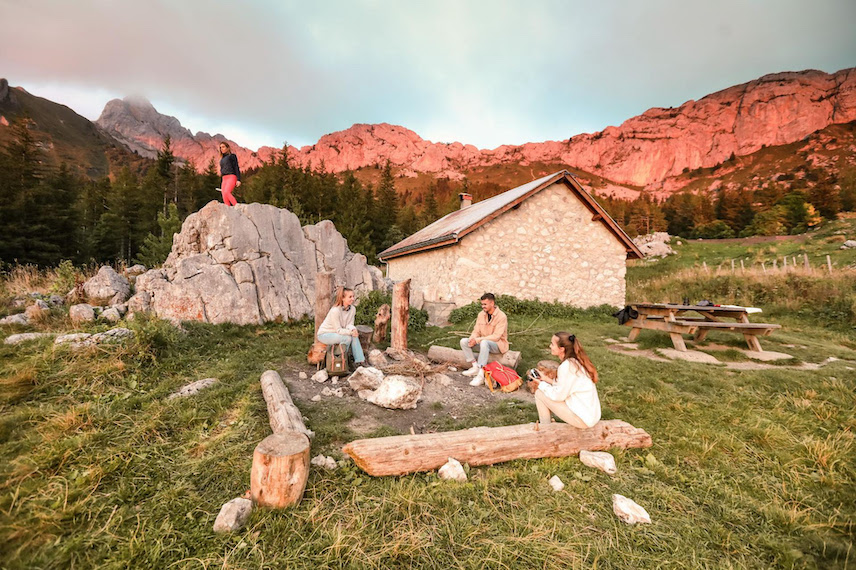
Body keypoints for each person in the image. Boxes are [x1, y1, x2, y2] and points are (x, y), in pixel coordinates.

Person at [529, 332, 601, 428]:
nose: (550, 346)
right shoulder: (575, 362)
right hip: (591, 416)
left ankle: (545, 428)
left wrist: (541, 384)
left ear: (561, 349)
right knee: (544, 391)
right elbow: (566, 386)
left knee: (540, 394)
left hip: (583, 420)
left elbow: (558, 396)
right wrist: (546, 379)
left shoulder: (567, 367)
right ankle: (546, 426)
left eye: (552, 344)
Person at [460, 292, 508, 387]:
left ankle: (481, 375)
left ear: (492, 303)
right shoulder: (481, 315)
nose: (483, 306)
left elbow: (496, 336)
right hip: (483, 343)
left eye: (485, 304)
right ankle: (475, 367)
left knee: (484, 342)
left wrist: (478, 340)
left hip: (498, 345)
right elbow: (476, 331)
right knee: (464, 341)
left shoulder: (502, 316)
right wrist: (472, 339)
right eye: (482, 304)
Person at [316, 287, 366, 367]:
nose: (353, 299)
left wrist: (353, 329)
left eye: (353, 296)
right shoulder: (335, 311)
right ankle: (343, 361)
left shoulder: (352, 309)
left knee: (354, 336)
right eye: (350, 297)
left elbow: (349, 324)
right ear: (343, 298)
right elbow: (338, 330)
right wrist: (350, 332)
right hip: (325, 334)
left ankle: (360, 361)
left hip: (338, 334)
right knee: (347, 338)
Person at [218, 142, 241, 206]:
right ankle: (228, 211)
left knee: (227, 192)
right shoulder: (222, 159)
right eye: (220, 147)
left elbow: (236, 167)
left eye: (223, 147)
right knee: (224, 196)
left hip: (231, 176)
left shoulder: (232, 156)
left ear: (228, 148)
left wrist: (238, 179)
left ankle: (237, 207)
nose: (221, 149)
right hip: (224, 178)